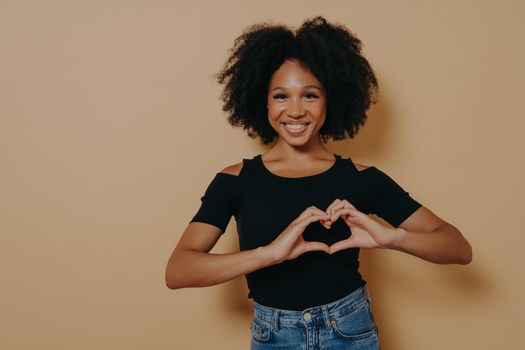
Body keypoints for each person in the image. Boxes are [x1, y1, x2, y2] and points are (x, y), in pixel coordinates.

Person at [165, 16, 472, 350]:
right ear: (263, 101)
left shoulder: (360, 177)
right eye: (281, 96)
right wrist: (269, 254)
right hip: (273, 336)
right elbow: (179, 270)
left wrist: (392, 237)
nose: (295, 110)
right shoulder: (235, 181)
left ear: (331, 100)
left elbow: (457, 247)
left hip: (350, 331)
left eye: (309, 95)